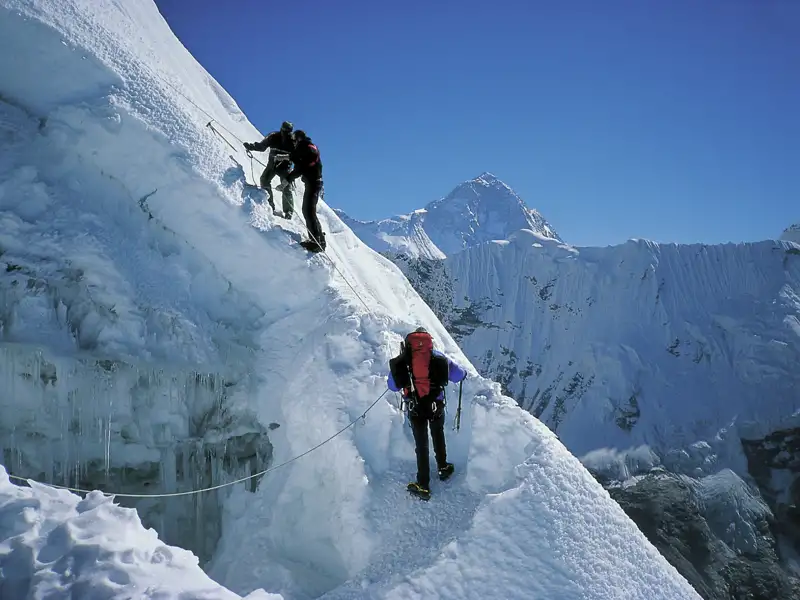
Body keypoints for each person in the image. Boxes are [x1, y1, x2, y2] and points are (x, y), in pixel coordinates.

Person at [387, 327, 467, 500]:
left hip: (415, 408)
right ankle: (443, 467)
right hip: (435, 405)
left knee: (421, 444)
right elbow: (459, 375)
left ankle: (423, 484)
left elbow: (392, 386)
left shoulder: (404, 361)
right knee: (438, 434)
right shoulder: (438, 356)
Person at [243, 121, 296, 218]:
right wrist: (251, 147)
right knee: (265, 180)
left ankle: (288, 211)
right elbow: (262, 146)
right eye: (284, 130)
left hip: (284, 168)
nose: (285, 133)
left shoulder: (293, 141)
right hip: (273, 166)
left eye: (287, 131)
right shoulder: (274, 136)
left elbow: (297, 157)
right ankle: (269, 204)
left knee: (286, 186)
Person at [286, 130, 326, 252]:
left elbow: (302, 166)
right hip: (315, 182)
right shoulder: (311, 147)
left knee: (308, 211)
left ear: (298, 139)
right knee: (310, 211)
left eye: (294, 139)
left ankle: (315, 242)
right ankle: (320, 239)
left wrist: (290, 176)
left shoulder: (306, 148)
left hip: (313, 183)